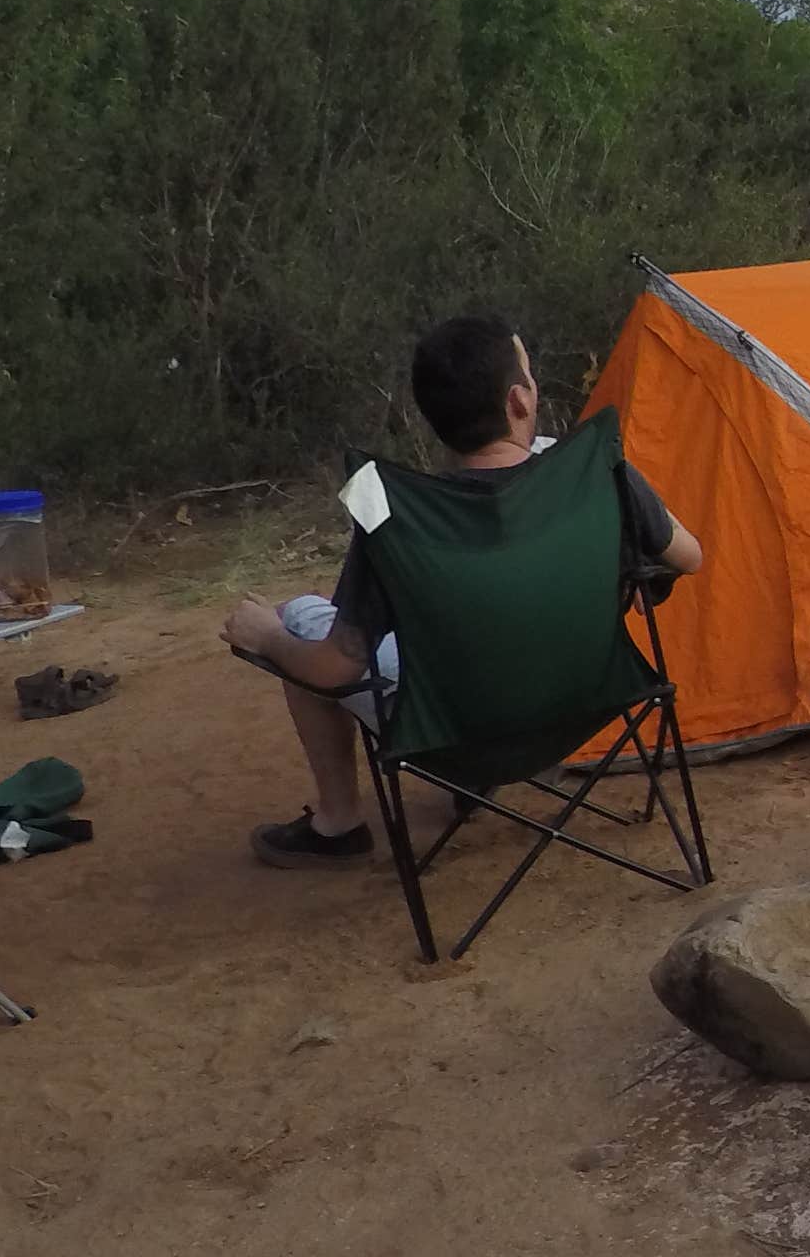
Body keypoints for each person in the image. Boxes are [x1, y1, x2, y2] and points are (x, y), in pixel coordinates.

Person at [218, 313, 702, 867]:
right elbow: (689, 556)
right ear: (519, 401)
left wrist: (269, 638)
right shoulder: (597, 475)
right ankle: (471, 783)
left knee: (299, 616)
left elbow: (336, 669)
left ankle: (338, 823)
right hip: (585, 703)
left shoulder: (401, 517)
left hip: (454, 728)